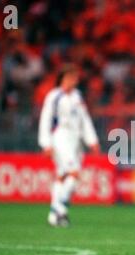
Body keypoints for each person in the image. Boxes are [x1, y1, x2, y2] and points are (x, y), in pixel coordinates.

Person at [38, 64, 100, 227]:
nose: (75, 80)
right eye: (72, 77)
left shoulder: (77, 97)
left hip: (76, 140)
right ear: (64, 78)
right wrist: (46, 143)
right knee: (73, 173)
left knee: (62, 175)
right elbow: (46, 119)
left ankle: (55, 216)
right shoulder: (54, 96)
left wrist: (91, 140)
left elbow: (84, 119)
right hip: (61, 137)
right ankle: (58, 207)